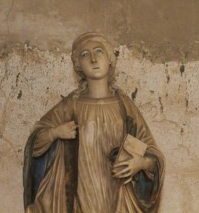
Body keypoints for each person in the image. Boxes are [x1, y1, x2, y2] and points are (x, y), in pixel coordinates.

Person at [23, 32, 165, 213]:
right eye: (84, 54)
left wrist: (141, 163)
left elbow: (154, 155)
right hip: (81, 195)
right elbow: (35, 144)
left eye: (99, 51)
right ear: (78, 66)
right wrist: (55, 132)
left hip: (119, 197)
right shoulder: (70, 106)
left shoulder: (124, 107)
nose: (93, 59)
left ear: (110, 60)